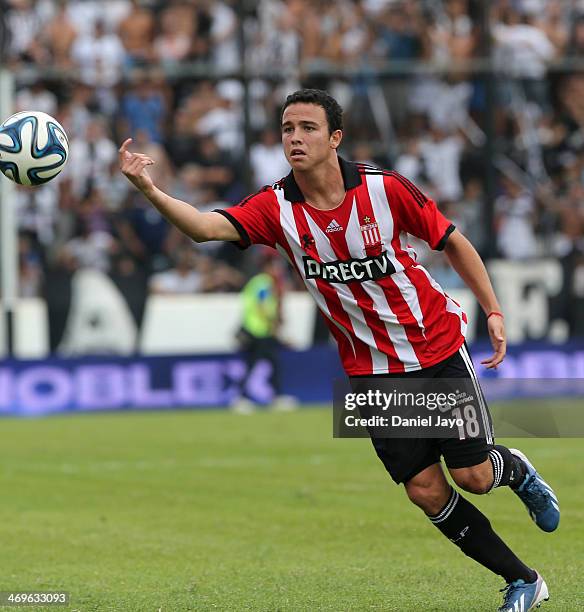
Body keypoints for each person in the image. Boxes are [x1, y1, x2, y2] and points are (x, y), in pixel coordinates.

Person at [119, 89, 558, 612]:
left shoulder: (384, 189)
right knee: (425, 491)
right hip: (370, 372)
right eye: (287, 128)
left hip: (433, 346)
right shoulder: (276, 207)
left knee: (474, 476)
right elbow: (204, 228)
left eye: (307, 127)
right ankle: (523, 580)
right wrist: (148, 187)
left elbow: (453, 241)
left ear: (335, 138)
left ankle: (516, 470)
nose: (295, 138)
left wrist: (493, 310)